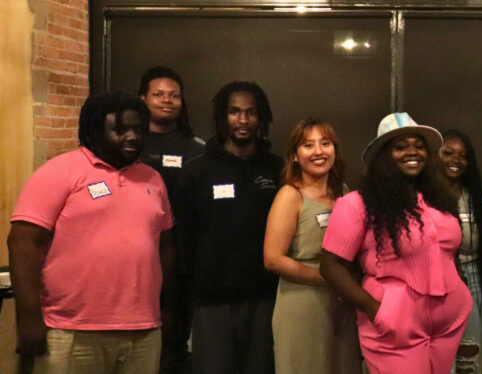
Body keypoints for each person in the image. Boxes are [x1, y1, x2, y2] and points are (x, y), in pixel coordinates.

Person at [8, 92, 179, 373]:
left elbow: (166, 246)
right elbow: (22, 243)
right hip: (71, 331)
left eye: (137, 129)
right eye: (120, 130)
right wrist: (28, 319)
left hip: (143, 331)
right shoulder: (59, 172)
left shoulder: (153, 179)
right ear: (93, 130)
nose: (132, 137)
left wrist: (170, 308)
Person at [320, 113, 470, 374]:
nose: (413, 152)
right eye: (400, 147)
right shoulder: (358, 203)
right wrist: (375, 309)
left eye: (419, 146)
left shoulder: (437, 198)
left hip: (448, 322)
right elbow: (330, 266)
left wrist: (461, 293)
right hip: (395, 322)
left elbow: (448, 251)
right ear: (383, 156)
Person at [176, 81, 283, 374]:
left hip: (265, 300)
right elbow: (184, 239)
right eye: (235, 112)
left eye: (251, 112)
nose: (243, 120)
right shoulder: (196, 171)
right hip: (212, 303)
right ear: (222, 117)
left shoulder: (277, 169)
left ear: (261, 117)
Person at [263, 119, 361, 374]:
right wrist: (327, 278)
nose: (318, 151)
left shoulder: (344, 192)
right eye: (308, 145)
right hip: (302, 303)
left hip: (341, 303)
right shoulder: (290, 195)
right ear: (295, 156)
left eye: (325, 143)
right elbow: (272, 259)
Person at [136, 65, 204, 374]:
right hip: (135, 256)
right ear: (143, 99)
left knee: (174, 335)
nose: (167, 100)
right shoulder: (128, 145)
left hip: (181, 258)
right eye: (159, 94)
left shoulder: (197, 149)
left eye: (174, 95)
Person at [438, 130, 482, 373]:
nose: (456, 160)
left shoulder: (475, 197)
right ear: (436, 157)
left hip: (473, 280)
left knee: (470, 357)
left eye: (463, 156)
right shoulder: (422, 196)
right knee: (442, 360)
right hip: (437, 284)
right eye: (448, 153)